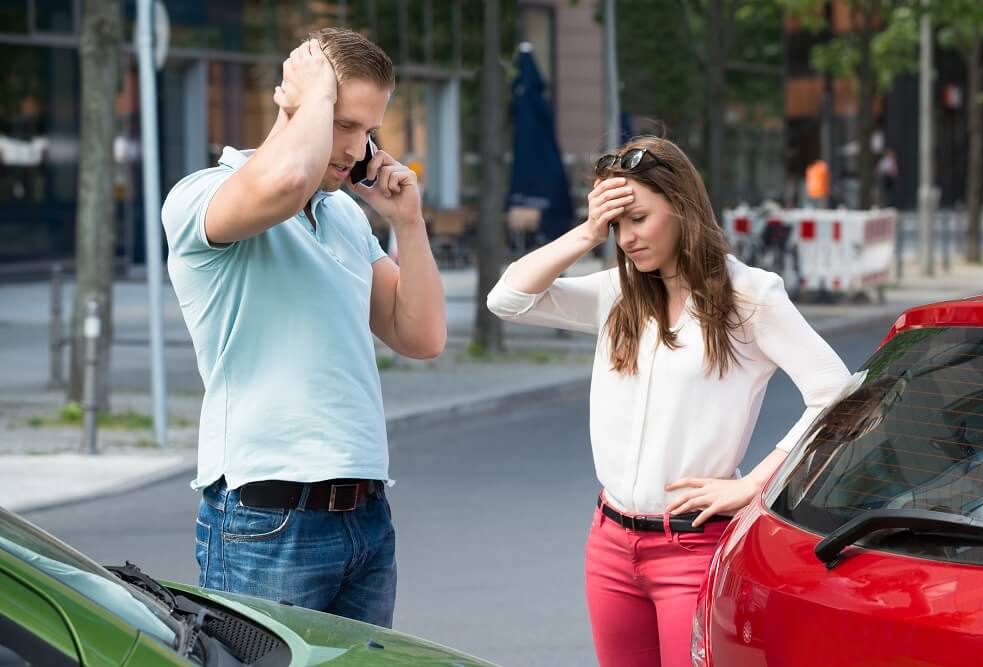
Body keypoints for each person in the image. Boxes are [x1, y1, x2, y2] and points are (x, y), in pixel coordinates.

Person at [486, 136, 850, 666]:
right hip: (610, 543)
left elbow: (836, 394)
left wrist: (753, 485)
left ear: (679, 206)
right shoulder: (618, 294)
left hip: (692, 547)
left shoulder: (748, 296)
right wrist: (586, 232)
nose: (627, 238)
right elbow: (508, 300)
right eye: (616, 225)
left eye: (638, 218)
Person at [161, 29, 446, 627]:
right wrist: (312, 96)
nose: (356, 147)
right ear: (290, 101)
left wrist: (408, 223)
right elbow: (286, 181)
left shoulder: (344, 216)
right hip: (266, 519)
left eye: (368, 131)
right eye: (343, 123)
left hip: (365, 514)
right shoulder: (202, 196)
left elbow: (421, 336)